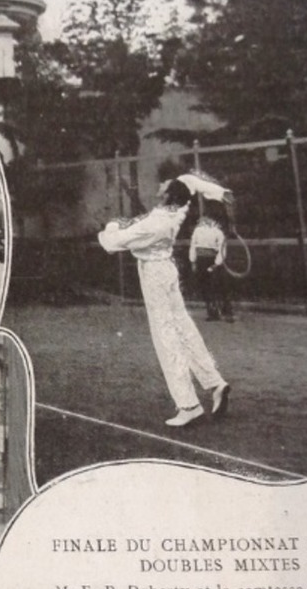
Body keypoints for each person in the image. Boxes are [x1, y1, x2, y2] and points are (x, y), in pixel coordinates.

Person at [98, 177, 231, 428]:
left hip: (154, 275)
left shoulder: (156, 224)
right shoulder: (179, 208)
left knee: (166, 337)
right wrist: (219, 192)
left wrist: (113, 224)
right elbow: (189, 181)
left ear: (168, 195)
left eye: (164, 185)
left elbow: (112, 243)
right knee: (184, 329)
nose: (159, 184)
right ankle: (215, 383)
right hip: (167, 270)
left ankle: (188, 405)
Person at [189, 205, 233, 322]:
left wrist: (216, 263)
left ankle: (226, 311)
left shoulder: (218, 232)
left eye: (208, 217)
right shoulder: (197, 230)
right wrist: (193, 261)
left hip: (213, 260)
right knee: (205, 286)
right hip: (201, 260)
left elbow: (222, 249)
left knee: (218, 285)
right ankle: (212, 312)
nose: (205, 219)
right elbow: (193, 245)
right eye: (204, 217)